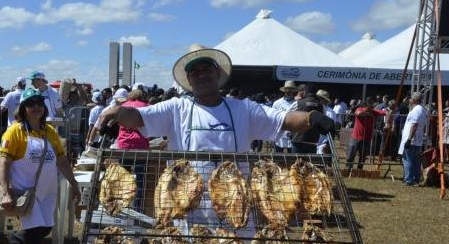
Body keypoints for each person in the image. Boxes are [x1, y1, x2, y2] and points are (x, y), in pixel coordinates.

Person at [99, 45, 334, 153]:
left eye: (207, 69)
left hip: (234, 213)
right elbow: (138, 116)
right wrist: (117, 112)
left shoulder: (244, 109)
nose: (202, 75)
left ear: (218, 74)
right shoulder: (176, 108)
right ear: (189, 80)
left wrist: (313, 117)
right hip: (186, 210)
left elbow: (285, 120)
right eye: (195, 72)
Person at [0, 89, 81, 244]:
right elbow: (4, 164)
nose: (36, 107)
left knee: (46, 227)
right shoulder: (14, 132)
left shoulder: (49, 131)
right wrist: (6, 192)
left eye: (39, 103)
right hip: (26, 192)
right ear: (23, 108)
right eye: (31, 104)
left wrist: (73, 182)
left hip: (47, 192)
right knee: (34, 232)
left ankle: (15, 239)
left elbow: (62, 160)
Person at [345, 98, 386, 170]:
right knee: (351, 153)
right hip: (356, 136)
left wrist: (388, 112)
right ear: (366, 105)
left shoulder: (374, 112)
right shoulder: (360, 109)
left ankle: (359, 169)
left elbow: (384, 112)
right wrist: (368, 114)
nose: (371, 108)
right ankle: (348, 168)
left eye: (372, 106)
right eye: (369, 106)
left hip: (367, 137)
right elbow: (358, 113)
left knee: (363, 155)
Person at [398, 92, 428, 186]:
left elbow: (414, 125)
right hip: (417, 139)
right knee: (415, 160)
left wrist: (409, 139)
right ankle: (415, 179)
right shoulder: (421, 109)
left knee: (407, 159)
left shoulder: (416, 110)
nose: (409, 100)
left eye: (410, 98)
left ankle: (409, 179)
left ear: (414, 100)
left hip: (412, 139)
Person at [289, 84, 324, 154]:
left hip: (298, 139)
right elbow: (323, 120)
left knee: (296, 163)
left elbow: (287, 115)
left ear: (305, 92)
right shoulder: (321, 105)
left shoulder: (298, 103)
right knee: (309, 164)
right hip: (313, 140)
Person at [272, 80, 298, 153]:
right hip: (279, 134)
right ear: (284, 91)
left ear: (294, 91)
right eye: (287, 90)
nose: (289, 91)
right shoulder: (277, 103)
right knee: (277, 158)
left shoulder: (297, 103)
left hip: (292, 134)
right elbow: (273, 118)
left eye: (291, 90)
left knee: (291, 159)